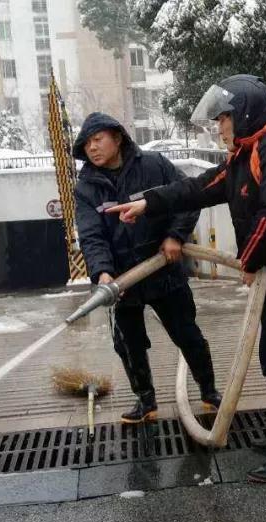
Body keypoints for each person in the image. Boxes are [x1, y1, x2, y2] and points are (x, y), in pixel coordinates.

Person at [107, 75, 266, 483]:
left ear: (244, 114)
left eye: (224, 118)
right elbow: (196, 189)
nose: (219, 126)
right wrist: (146, 204)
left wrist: (248, 261)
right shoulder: (242, 158)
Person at [73, 112, 221, 424]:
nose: (92, 148)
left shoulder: (154, 166)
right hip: (122, 281)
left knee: (187, 334)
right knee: (128, 344)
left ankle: (209, 392)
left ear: (117, 138)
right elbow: (91, 235)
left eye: (97, 140)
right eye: (86, 144)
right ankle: (145, 401)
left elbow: (187, 198)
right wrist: (103, 273)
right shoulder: (86, 189)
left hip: (163, 269)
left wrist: (175, 236)